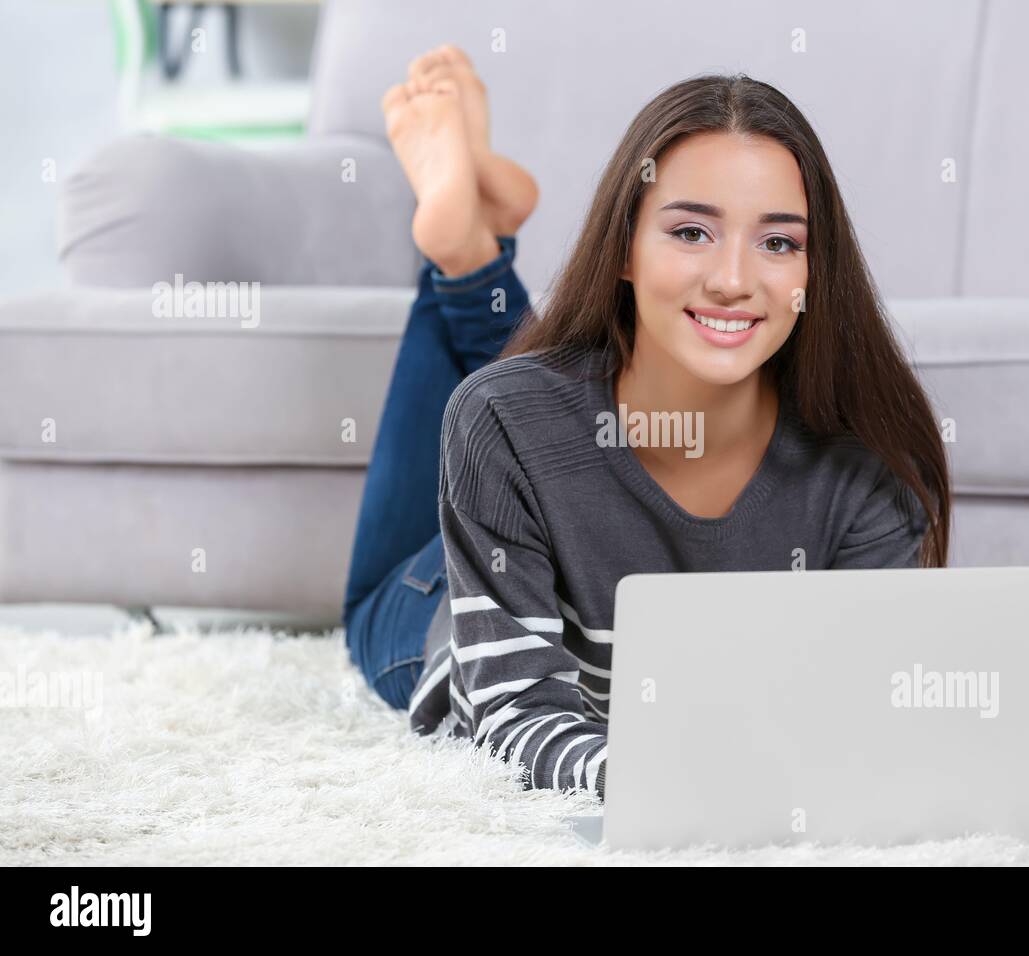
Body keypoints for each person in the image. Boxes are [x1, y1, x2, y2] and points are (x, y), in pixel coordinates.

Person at [342, 45, 952, 803]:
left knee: (534, 404)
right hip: (445, 597)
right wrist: (659, 782)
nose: (733, 280)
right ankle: (466, 254)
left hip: (546, 482)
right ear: (623, 248)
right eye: (691, 231)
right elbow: (514, 716)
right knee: (486, 446)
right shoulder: (499, 423)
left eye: (779, 242)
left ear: (814, 272)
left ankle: (477, 248)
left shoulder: (868, 476)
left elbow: (867, 720)